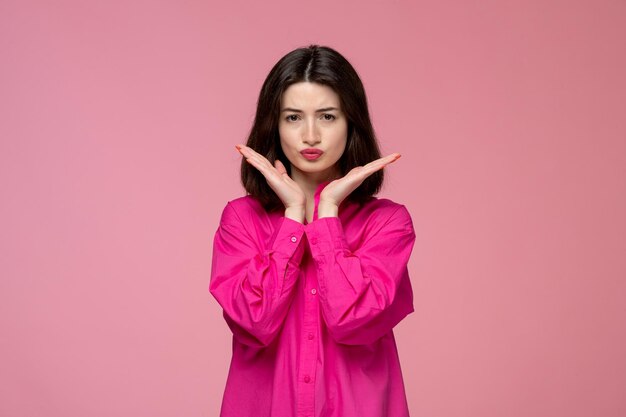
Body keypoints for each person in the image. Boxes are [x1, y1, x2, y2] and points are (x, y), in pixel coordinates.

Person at [209, 44, 417, 417]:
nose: (310, 135)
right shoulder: (241, 220)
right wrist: (292, 217)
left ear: (352, 122)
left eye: (327, 116)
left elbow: (353, 321)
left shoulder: (387, 224)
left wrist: (327, 218)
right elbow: (255, 323)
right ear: (273, 124)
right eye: (293, 117)